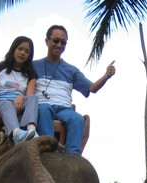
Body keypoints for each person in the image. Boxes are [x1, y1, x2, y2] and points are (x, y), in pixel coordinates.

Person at [33, 25, 116, 155]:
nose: (59, 45)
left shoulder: (71, 70)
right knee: (43, 110)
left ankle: (73, 156)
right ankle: (49, 150)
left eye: (63, 42)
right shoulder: (33, 66)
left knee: (77, 119)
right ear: (47, 41)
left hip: (64, 109)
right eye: (56, 41)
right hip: (43, 105)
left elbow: (92, 88)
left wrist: (106, 76)